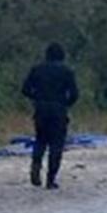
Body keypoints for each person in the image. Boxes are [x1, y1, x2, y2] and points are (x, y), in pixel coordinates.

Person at [20, 42, 79, 189]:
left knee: (40, 141)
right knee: (56, 145)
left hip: (41, 110)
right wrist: (65, 104)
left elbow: (25, 89)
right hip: (59, 110)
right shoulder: (67, 71)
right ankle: (50, 179)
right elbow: (75, 94)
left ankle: (35, 167)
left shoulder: (37, 70)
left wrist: (36, 99)